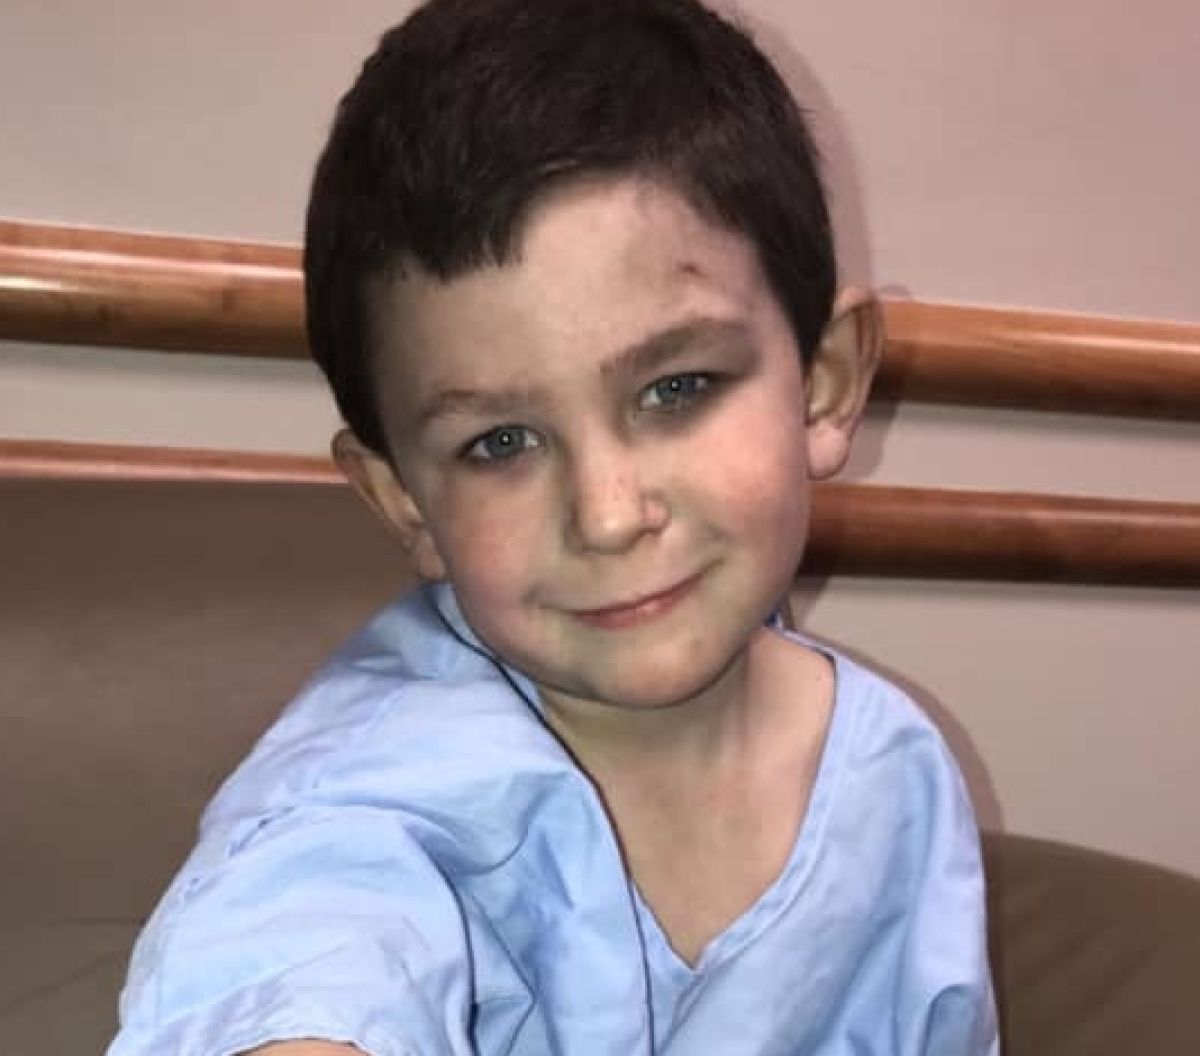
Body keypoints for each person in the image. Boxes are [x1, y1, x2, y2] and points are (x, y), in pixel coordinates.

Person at [109, 0, 998, 1052]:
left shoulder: (898, 775)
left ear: (825, 383)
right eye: (500, 443)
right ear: (404, 500)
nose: (608, 515)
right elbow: (297, 951)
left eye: (676, 387)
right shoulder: (373, 808)